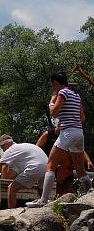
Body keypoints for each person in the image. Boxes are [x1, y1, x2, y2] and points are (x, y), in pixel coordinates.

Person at [27, 73, 91, 207]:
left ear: (55, 82)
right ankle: (90, 195)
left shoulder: (62, 92)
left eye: (52, 84)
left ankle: (43, 200)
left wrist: (52, 101)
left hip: (67, 133)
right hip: (79, 133)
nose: (52, 86)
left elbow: (54, 112)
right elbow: (83, 118)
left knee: (50, 165)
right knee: (80, 171)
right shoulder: (76, 95)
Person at [0, 134, 47, 208]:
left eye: (2, 147)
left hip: (35, 166)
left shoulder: (12, 149)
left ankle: (11, 213)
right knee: (40, 189)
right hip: (46, 167)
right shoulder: (21, 149)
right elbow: (8, 176)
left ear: (6, 144)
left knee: (11, 188)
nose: (3, 150)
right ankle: (43, 204)